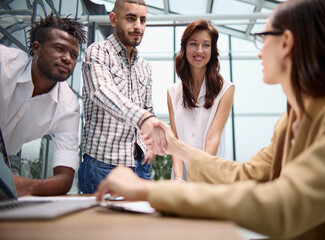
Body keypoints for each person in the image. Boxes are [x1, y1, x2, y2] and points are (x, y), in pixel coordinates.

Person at [95, 0, 325, 239]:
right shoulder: (289, 122)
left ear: (286, 43)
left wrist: (146, 191)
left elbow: (283, 204)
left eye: (263, 37)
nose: (258, 52)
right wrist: (176, 146)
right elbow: (244, 175)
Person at [79, 0, 166, 194]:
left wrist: (149, 147)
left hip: (140, 165)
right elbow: (103, 92)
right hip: (103, 166)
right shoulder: (98, 52)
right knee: (101, 224)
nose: (138, 26)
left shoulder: (144, 66)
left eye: (142, 20)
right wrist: (145, 119)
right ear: (113, 19)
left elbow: (148, 108)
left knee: (144, 224)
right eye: (130, 18)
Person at [0, 13, 87, 196]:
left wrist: (24, 186)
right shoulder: (3, 64)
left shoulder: (68, 108)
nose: (68, 59)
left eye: (74, 54)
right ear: (37, 48)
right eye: (59, 48)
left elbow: (64, 179)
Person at [168, 19, 235, 181]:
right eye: (193, 44)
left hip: (209, 176)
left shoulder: (226, 89)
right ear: (184, 48)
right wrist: (178, 178)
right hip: (180, 178)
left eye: (206, 45)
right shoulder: (172, 92)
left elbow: (213, 137)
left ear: (212, 50)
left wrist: (197, 176)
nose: (199, 50)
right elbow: (174, 140)